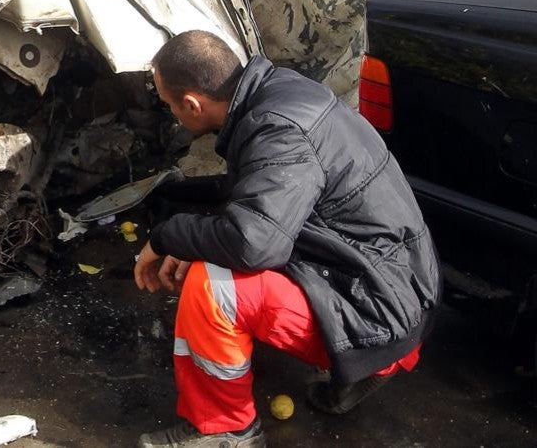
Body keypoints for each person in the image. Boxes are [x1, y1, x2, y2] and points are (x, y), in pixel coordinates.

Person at [134, 30, 440, 448]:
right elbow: (263, 208)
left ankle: (226, 429)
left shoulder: (277, 130)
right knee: (219, 250)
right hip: (402, 283)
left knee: (214, 286)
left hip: (384, 307)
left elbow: (254, 244)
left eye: (170, 104)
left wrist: (170, 237)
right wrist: (196, 238)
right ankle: (364, 370)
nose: (171, 113)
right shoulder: (279, 91)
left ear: (191, 103)